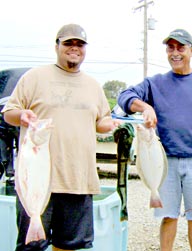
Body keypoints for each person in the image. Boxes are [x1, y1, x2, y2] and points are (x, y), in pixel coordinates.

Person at [2, 23, 122, 251]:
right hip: (37, 182)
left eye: (79, 44)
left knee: (70, 246)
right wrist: (23, 115)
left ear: (85, 49)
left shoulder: (93, 85)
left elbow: (101, 122)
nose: (74, 48)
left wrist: (112, 124)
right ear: (56, 46)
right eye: (68, 43)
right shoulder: (34, 77)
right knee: (31, 247)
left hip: (78, 179)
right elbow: (9, 114)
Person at [118, 29, 192, 251]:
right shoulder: (154, 83)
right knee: (168, 216)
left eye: (181, 47)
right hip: (163, 161)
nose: (175, 53)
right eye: (171, 48)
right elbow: (125, 98)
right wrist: (145, 106)